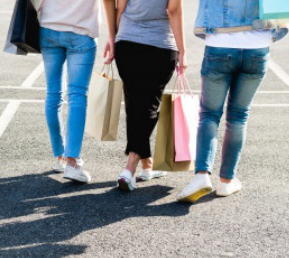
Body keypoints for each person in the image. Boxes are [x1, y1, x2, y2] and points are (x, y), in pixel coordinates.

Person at [177, 0, 289, 203]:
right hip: (258, 45)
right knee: (239, 116)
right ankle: (227, 181)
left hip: (220, 43)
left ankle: (202, 176)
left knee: (209, 114)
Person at [103, 0, 187, 192]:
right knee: (148, 106)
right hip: (161, 45)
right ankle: (130, 166)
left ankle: (147, 165)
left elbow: (119, 5)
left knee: (134, 106)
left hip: (127, 42)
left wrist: (113, 37)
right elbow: (173, 10)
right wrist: (183, 50)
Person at [39, 0, 102, 183]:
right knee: (77, 96)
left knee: (53, 93)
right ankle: (72, 162)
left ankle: (60, 157)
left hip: (49, 27)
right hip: (81, 31)